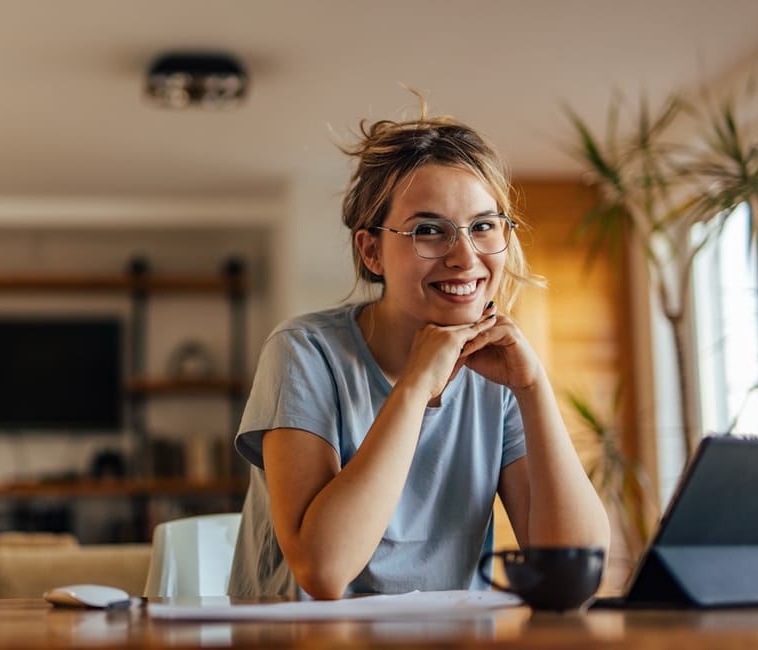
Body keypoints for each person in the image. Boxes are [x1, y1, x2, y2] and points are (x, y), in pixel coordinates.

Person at [228, 108, 610, 600]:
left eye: (483, 226)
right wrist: (414, 388)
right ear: (371, 252)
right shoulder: (303, 352)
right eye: (429, 230)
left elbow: (577, 574)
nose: (465, 256)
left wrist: (534, 391)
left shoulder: (503, 377)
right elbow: (324, 571)